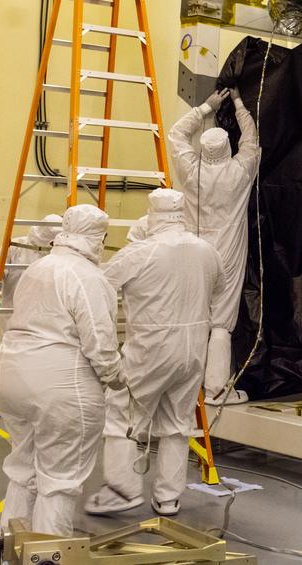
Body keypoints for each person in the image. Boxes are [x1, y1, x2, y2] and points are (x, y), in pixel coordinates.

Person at [85, 188, 224, 517]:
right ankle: (168, 498)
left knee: (122, 414)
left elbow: (96, 288)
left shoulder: (140, 253)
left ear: (152, 215)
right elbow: (217, 290)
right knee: (178, 423)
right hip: (194, 349)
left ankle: (122, 489)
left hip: (151, 346)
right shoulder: (207, 251)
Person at [0, 204, 122, 537]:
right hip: (60, 386)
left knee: (23, 469)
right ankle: (47, 556)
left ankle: (10, 547)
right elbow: (100, 341)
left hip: (11, 376)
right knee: (59, 479)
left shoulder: (39, 267)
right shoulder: (89, 276)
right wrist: (116, 378)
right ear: (98, 237)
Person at [167, 88, 260, 404]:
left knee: (193, 317)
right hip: (228, 256)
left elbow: (177, 134)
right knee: (221, 323)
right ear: (226, 149)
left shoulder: (191, 172)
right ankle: (217, 391)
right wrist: (238, 104)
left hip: (195, 254)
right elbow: (251, 140)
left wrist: (206, 107)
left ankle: (183, 386)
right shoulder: (239, 171)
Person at [0, 214, 62, 307]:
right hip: (12, 312)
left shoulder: (59, 253)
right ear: (44, 235)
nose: (54, 244)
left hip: (44, 313)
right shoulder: (15, 246)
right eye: (52, 242)